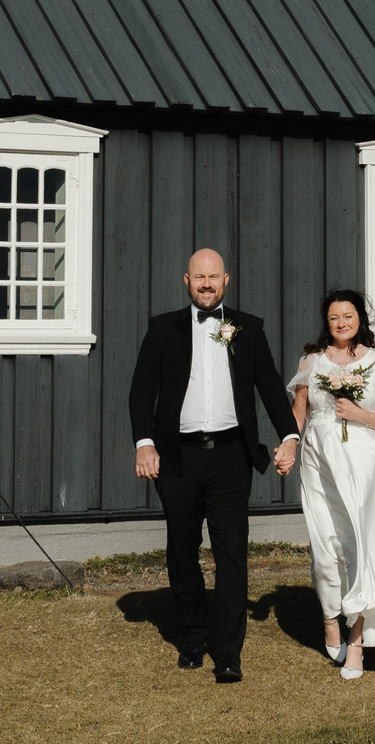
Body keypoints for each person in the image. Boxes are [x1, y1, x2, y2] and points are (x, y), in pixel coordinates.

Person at [128, 247, 300, 683]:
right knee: (182, 549)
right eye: (198, 277)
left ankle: (227, 651)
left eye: (213, 277)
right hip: (177, 458)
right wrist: (144, 443)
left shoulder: (245, 328)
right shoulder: (162, 329)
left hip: (230, 457)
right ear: (186, 281)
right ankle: (191, 635)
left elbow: (269, 386)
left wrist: (291, 435)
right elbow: (141, 391)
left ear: (226, 280)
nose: (206, 284)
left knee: (231, 555)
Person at [289, 288, 375, 679]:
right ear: (327, 321)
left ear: (360, 319)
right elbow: (299, 414)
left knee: (360, 550)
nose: (341, 323)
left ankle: (356, 642)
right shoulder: (312, 361)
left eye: (348, 316)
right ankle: (329, 620)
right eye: (334, 317)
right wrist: (287, 446)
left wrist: (357, 413)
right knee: (325, 550)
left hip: (366, 467)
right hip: (319, 463)